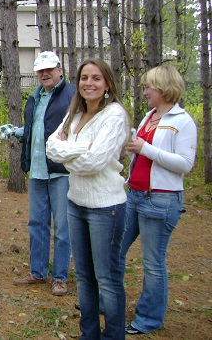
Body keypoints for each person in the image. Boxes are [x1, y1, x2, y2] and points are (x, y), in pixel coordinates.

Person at [46, 58, 131, 340]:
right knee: (83, 276)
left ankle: (113, 335)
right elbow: (50, 147)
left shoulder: (115, 115)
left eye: (96, 78)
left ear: (107, 84)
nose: (89, 83)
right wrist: (82, 148)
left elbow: (94, 163)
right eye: (84, 78)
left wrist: (69, 154)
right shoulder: (75, 113)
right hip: (76, 202)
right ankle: (89, 334)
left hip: (106, 208)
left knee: (107, 278)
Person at [0, 51, 75, 296]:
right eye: (40, 70)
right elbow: (36, 128)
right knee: (36, 224)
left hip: (61, 173)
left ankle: (59, 277)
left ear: (60, 69)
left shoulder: (71, 95)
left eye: (49, 69)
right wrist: (15, 131)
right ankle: (38, 273)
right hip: (37, 171)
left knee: (62, 227)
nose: (45, 74)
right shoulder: (35, 97)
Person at [122, 65, 197, 336]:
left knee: (153, 263)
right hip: (134, 195)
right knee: (114, 251)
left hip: (161, 201)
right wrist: (132, 148)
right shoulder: (149, 117)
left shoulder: (183, 121)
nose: (144, 92)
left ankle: (149, 318)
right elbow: (140, 156)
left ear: (164, 89)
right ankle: (110, 302)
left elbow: (185, 164)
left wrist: (146, 149)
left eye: (148, 87)